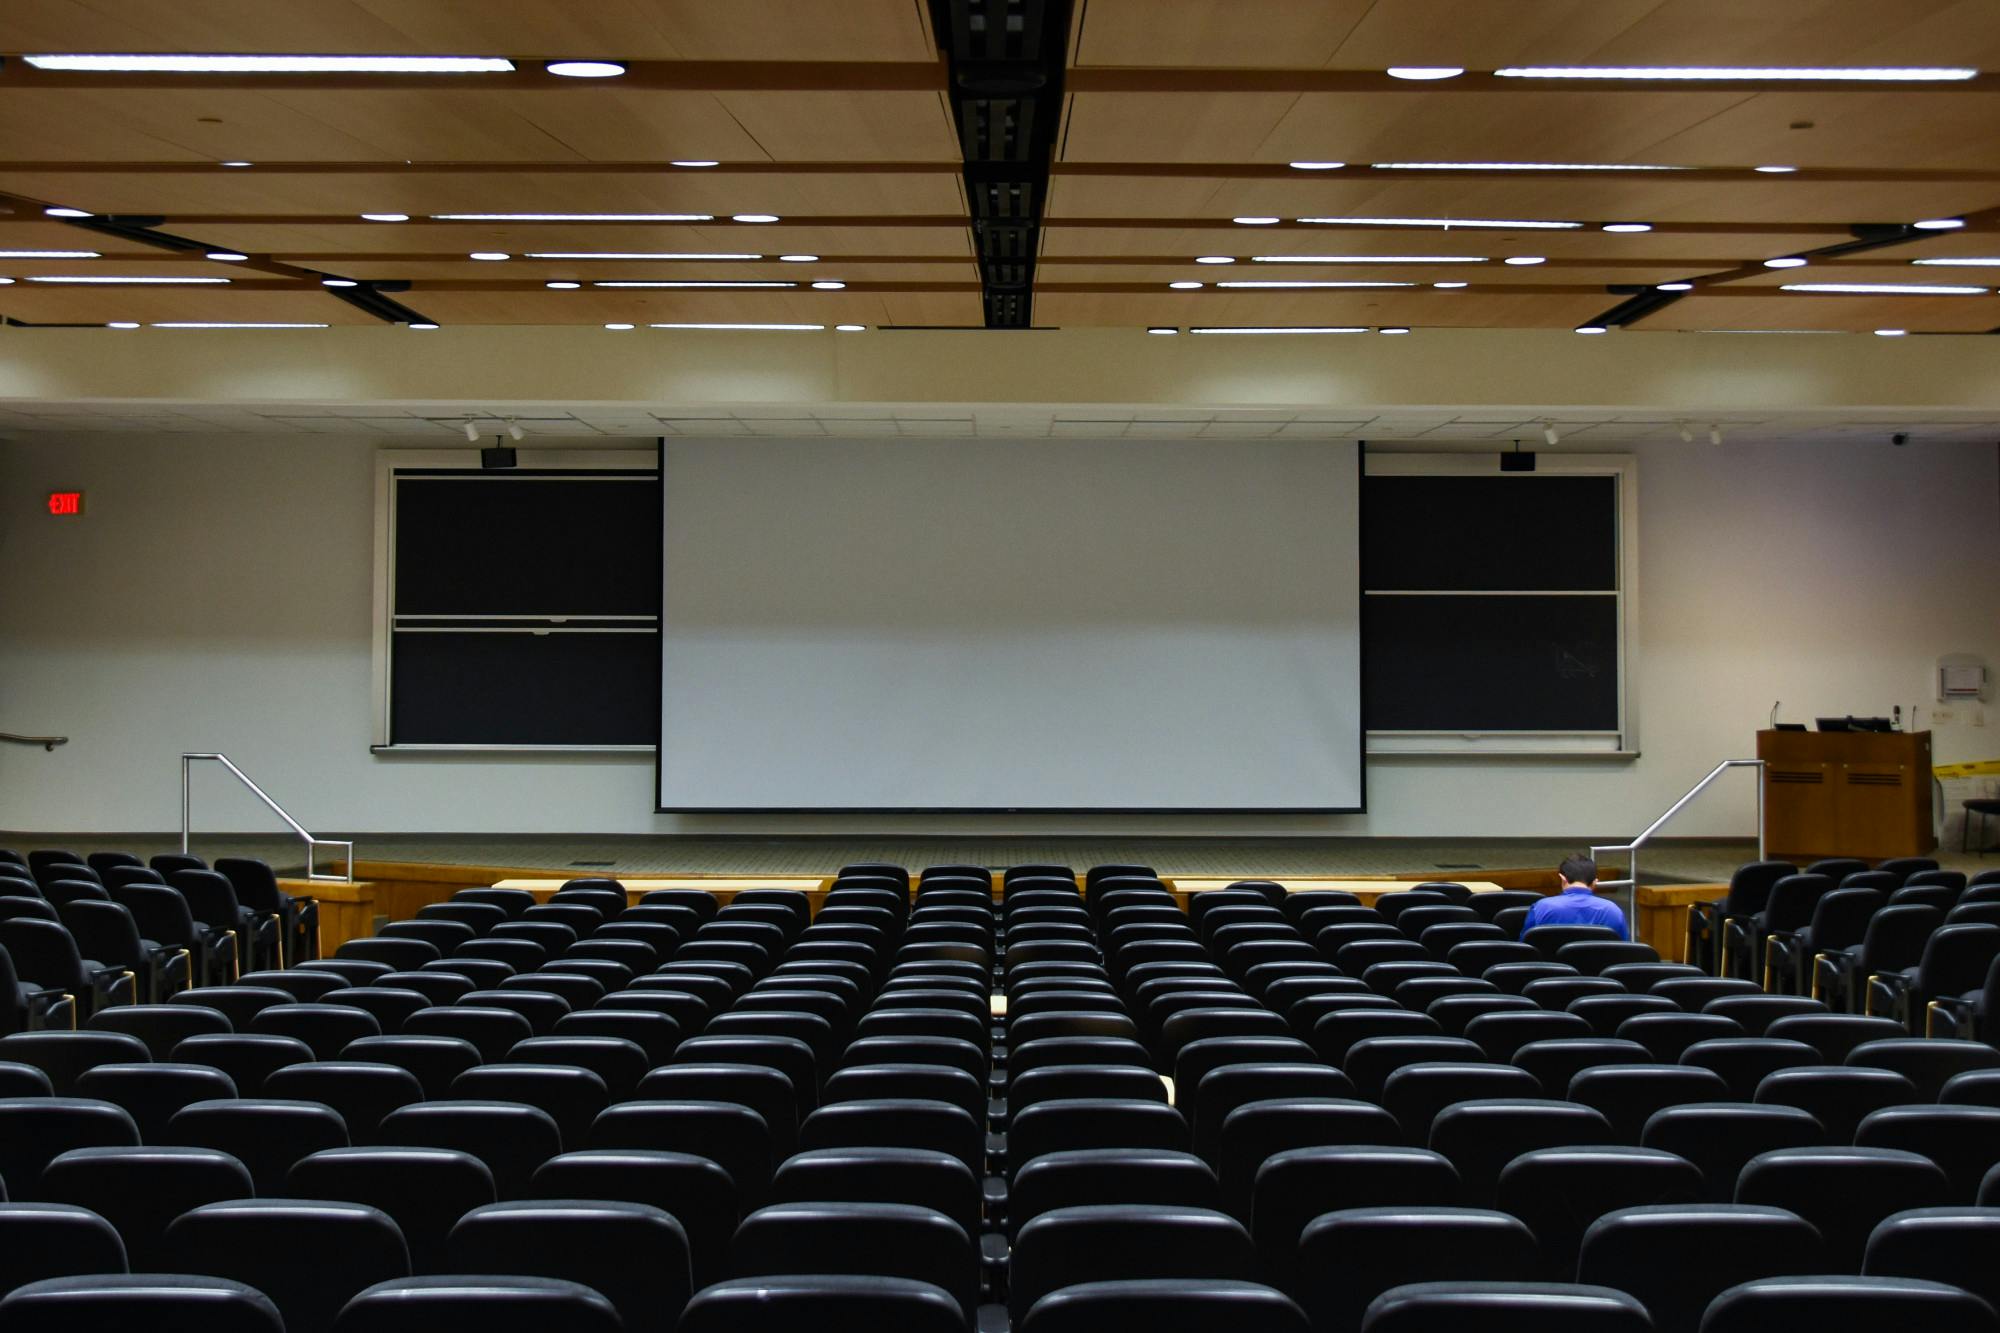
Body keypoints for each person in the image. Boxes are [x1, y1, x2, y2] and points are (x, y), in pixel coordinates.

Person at [1519, 853, 1628, 940]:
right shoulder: (1613, 910)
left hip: (1552, 967)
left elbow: (1527, 948)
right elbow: (1623, 951)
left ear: (1562, 879)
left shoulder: (1541, 907)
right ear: (1595, 882)